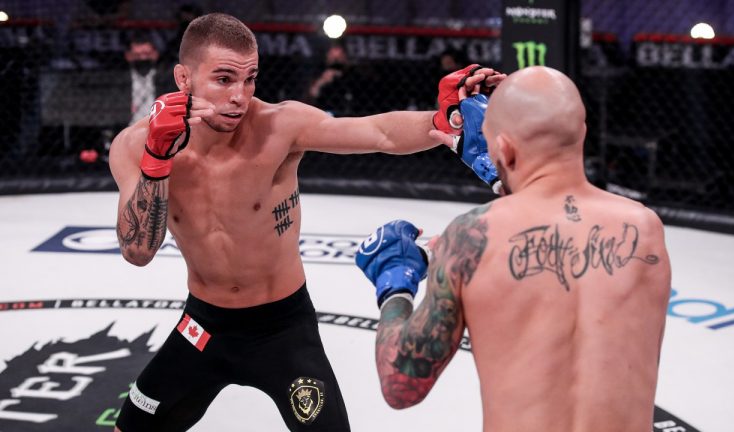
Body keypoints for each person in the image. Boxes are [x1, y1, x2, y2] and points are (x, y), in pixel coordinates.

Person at [108, 13, 504, 432]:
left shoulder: (278, 125)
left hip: (283, 327)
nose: (240, 96)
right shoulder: (134, 146)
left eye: (250, 79)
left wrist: (439, 123)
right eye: (224, 79)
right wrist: (157, 159)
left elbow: (377, 133)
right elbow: (138, 252)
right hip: (203, 325)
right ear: (183, 79)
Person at [356, 66, 672, 431]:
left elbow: (401, 384)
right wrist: (500, 169)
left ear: (503, 148)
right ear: (582, 132)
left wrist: (395, 282)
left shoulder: (470, 238)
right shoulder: (644, 228)